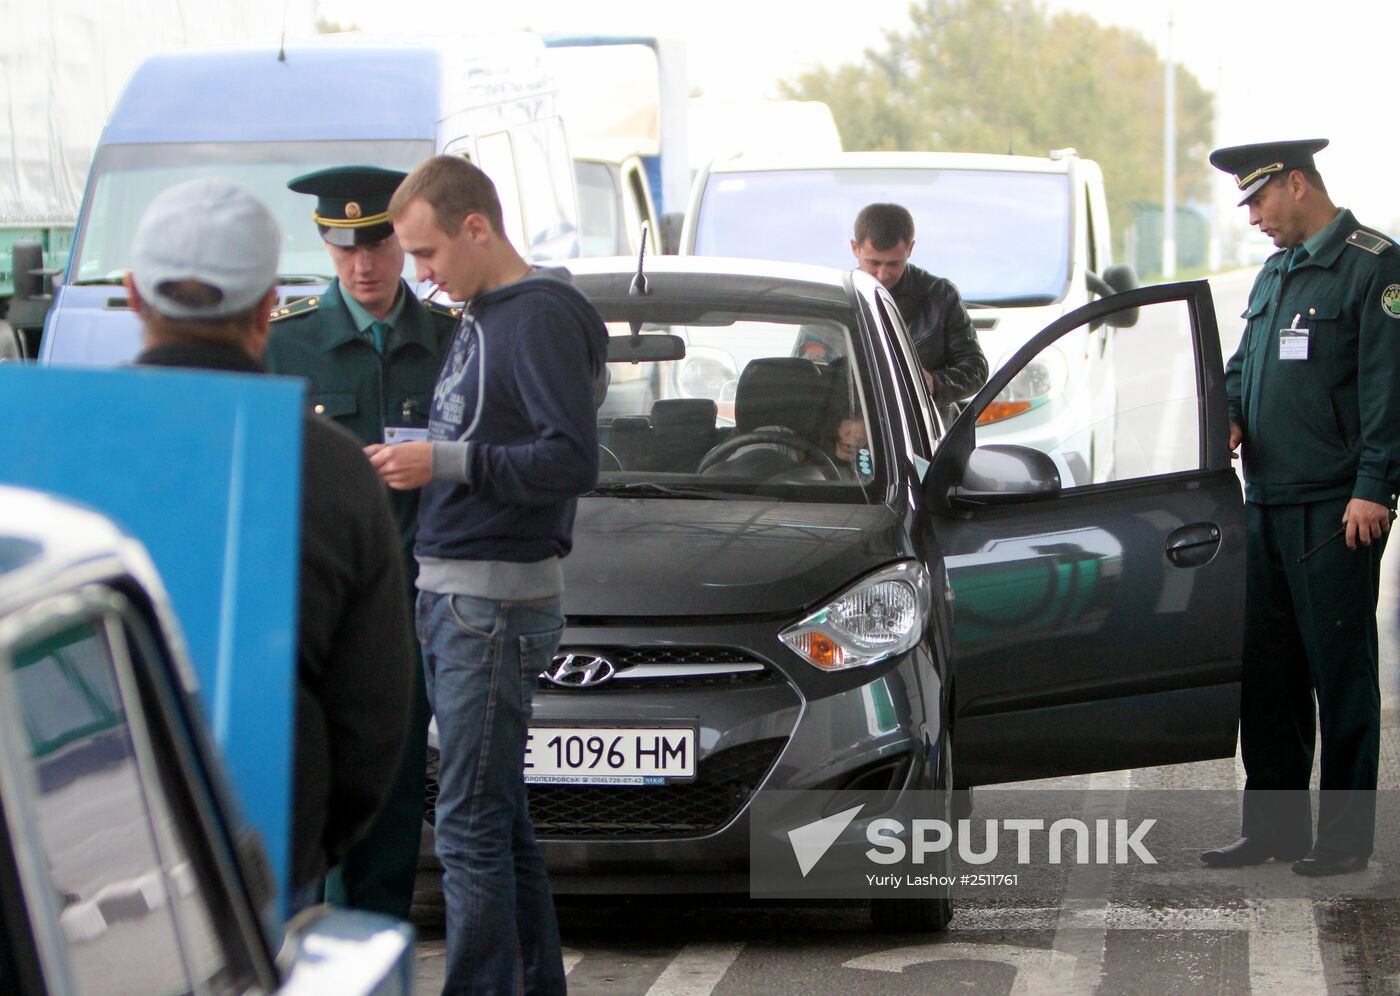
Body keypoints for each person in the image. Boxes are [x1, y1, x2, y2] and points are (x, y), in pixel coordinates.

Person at [124, 176, 415, 896]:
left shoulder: (34, 453)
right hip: (270, 853)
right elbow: (373, 714)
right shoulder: (333, 469)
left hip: (85, 861)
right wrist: (308, 853)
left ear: (133, 295)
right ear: (263, 311)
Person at [369, 155, 607, 995]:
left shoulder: (535, 315)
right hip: (464, 595)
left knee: (469, 828)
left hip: (491, 601)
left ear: (478, 227)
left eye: (428, 254)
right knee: (493, 824)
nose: (422, 278)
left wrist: (444, 460)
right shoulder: (493, 310)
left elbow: (570, 459)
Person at [1201, 139, 1400, 877]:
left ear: (1296, 183)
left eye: (1257, 200)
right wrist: (1228, 409)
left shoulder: (1371, 265)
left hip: (1335, 508)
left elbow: (1388, 387)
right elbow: (1242, 365)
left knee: (1340, 673)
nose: (1252, 218)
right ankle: (1274, 829)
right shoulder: (1277, 271)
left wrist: (1375, 485)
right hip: (1269, 502)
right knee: (1270, 673)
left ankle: (1345, 837)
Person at [264, 165, 458, 919]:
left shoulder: (449, 340)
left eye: (376, 243)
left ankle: (376, 940)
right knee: (309, 785)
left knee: (392, 787)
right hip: (313, 610)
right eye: (343, 248)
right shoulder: (288, 346)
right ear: (325, 246)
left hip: (416, 604)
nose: (363, 264)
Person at [850, 202, 988, 417]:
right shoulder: (839, 298)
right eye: (874, 263)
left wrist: (934, 383)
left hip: (924, 426)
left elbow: (976, 369)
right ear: (854, 248)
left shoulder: (940, 296)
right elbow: (813, 370)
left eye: (894, 264)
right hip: (855, 427)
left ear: (910, 249)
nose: (882, 274)